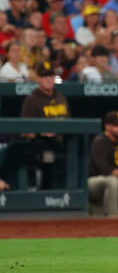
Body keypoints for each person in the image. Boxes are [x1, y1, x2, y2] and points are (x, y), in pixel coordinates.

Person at [20, 61, 71, 189]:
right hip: (41, 145)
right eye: (44, 76)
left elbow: (70, 122)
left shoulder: (61, 98)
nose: (48, 79)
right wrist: (41, 132)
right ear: (37, 78)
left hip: (62, 144)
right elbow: (24, 131)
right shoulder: (31, 99)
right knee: (48, 159)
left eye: (50, 75)